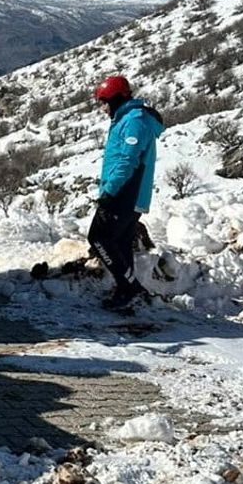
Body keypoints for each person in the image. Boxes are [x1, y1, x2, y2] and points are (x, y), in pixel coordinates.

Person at [88, 75, 165, 311]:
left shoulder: (134, 121)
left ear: (117, 99)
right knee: (120, 243)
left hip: (125, 193)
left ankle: (129, 287)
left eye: (104, 102)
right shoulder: (126, 118)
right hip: (128, 193)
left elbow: (127, 160)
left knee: (98, 237)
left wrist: (109, 192)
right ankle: (128, 290)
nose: (102, 108)